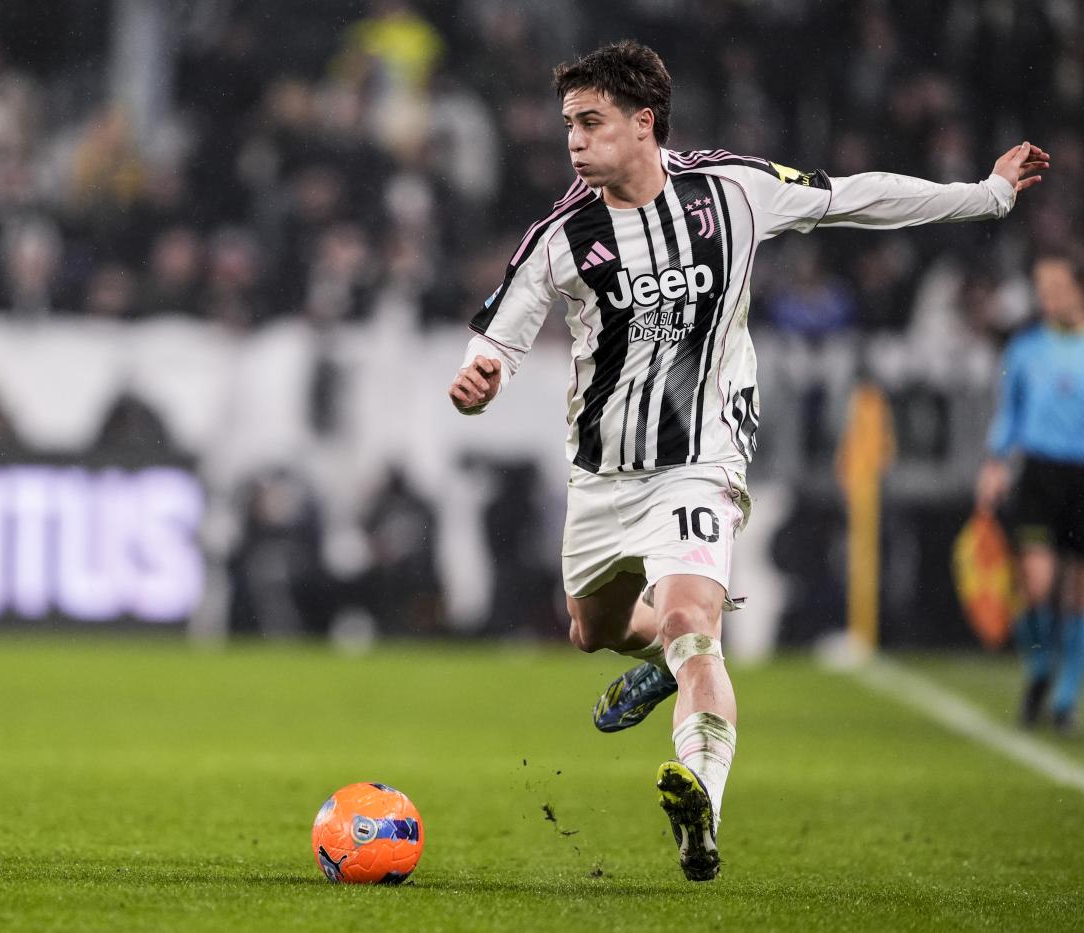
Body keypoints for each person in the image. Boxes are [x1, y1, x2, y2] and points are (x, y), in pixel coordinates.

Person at [447, 40, 1047, 882]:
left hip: (700, 460)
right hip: (601, 473)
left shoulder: (730, 190)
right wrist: (480, 379)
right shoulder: (561, 234)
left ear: (643, 122)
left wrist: (984, 195)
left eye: (591, 122)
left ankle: (701, 801)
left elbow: (855, 196)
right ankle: (659, 664)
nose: (574, 141)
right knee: (593, 631)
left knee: (694, 624)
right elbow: (498, 341)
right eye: (569, 125)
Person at [975, 250, 1084, 736]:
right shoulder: (1025, 349)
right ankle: (1040, 670)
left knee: (1077, 593)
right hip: (1039, 474)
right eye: (1042, 287)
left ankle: (1065, 696)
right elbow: (1009, 413)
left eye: (1056, 286)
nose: (1047, 296)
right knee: (1036, 584)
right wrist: (995, 462)